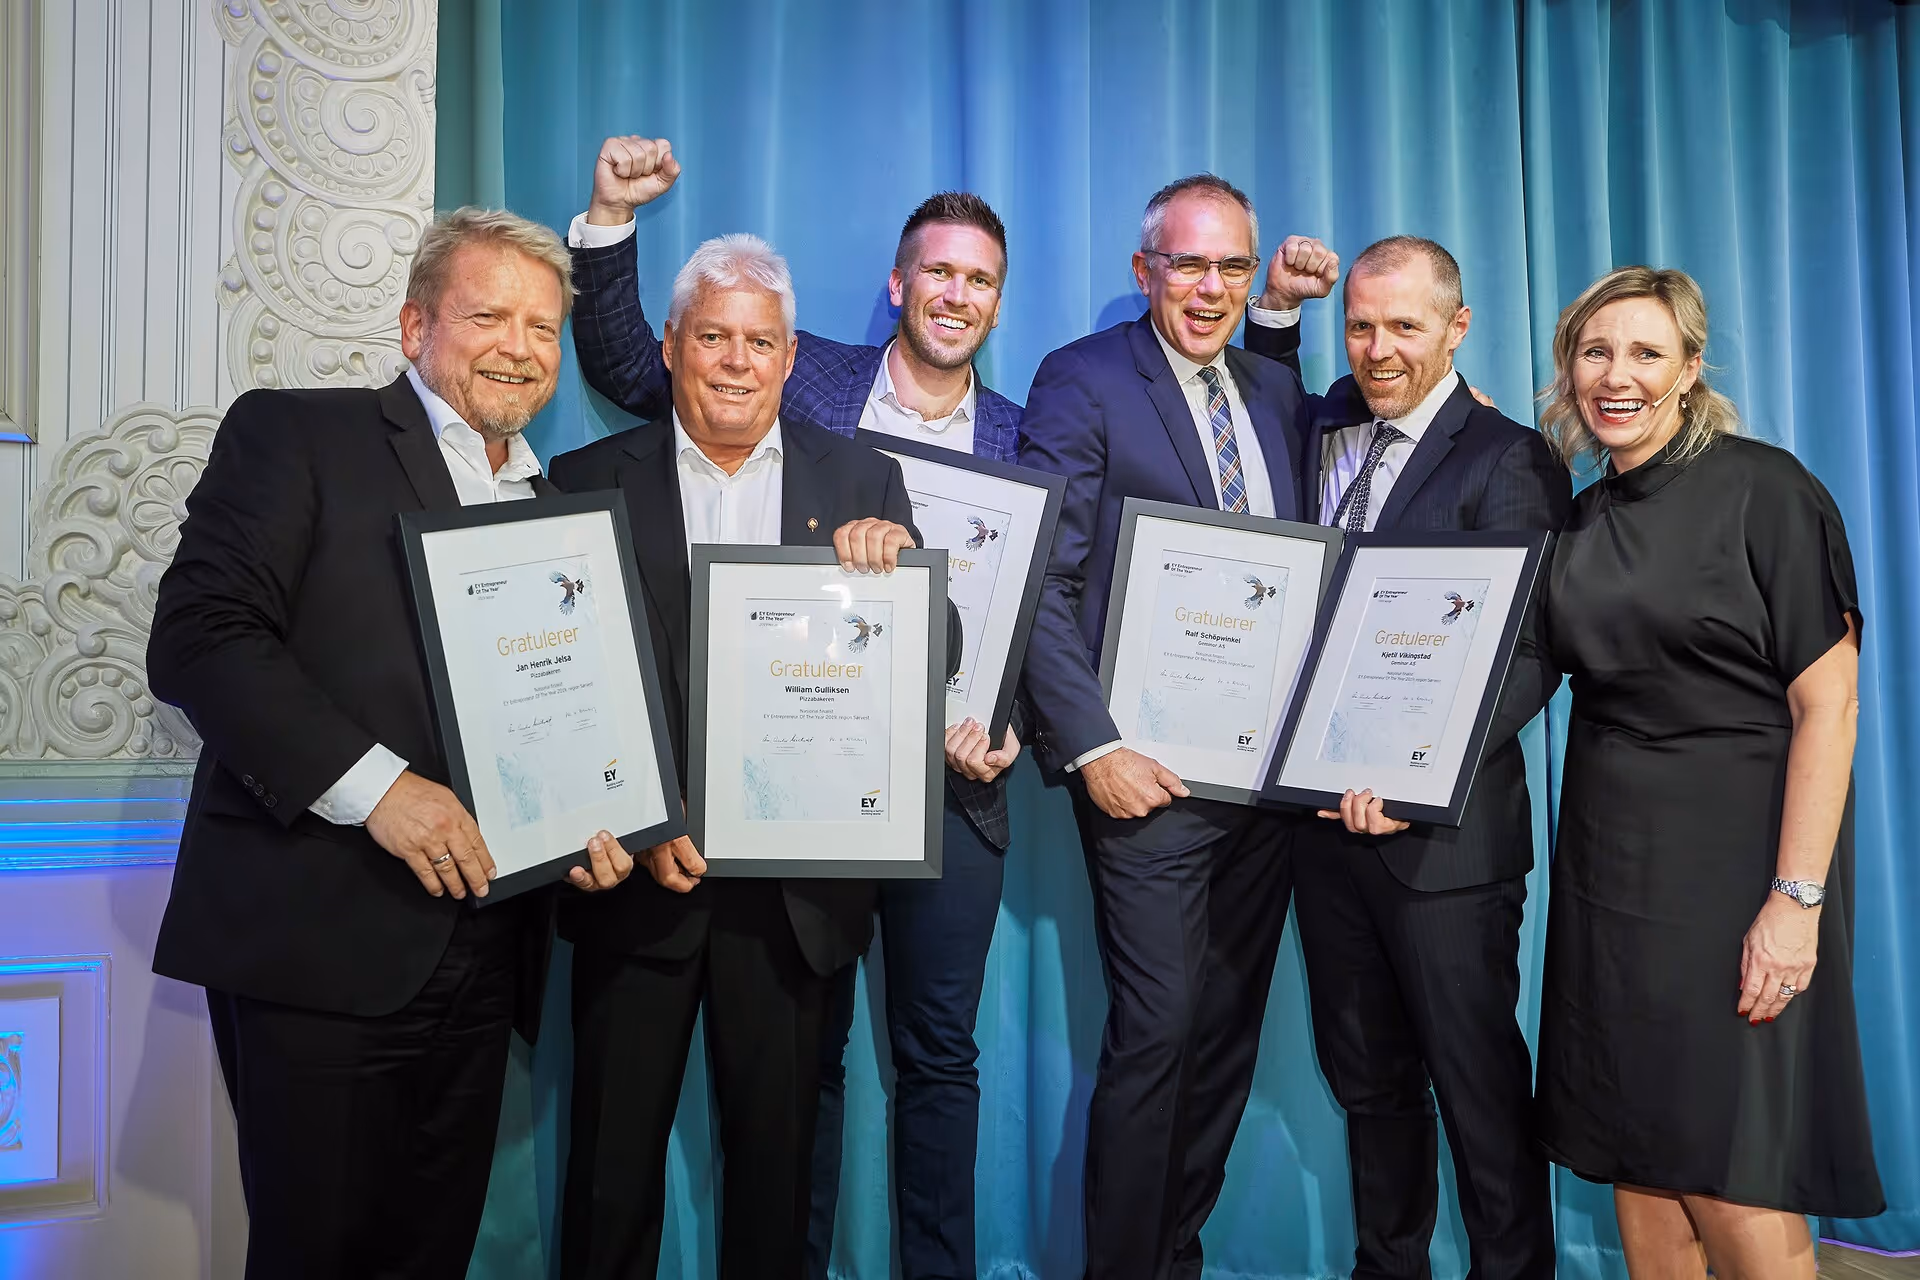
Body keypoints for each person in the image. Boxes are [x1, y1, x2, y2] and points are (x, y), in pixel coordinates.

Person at [564, 136, 1026, 1279]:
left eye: (758, 342)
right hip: (639, 881)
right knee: (608, 1183)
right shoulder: (583, 483)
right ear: (674, 348)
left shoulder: (859, 478)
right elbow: (564, 689)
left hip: (793, 901)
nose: (734, 361)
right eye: (711, 337)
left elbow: (939, 647)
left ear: (788, 358)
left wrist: (900, 570)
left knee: (777, 1190)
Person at [146, 208, 637, 1280]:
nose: (521, 346)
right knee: (315, 1254)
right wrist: (382, 791)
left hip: (483, 948)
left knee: (428, 1254)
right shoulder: (298, 434)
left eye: (545, 327)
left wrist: (588, 830)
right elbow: (198, 640)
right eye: (490, 316)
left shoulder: (556, 507)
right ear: (415, 326)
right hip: (323, 935)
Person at [1520, 265, 1882, 1277]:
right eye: (1595, 352)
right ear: (1569, 371)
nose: (1616, 374)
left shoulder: (1768, 489)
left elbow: (1832, 705)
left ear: (1689, 369)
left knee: (1734, 1173)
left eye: (1644, 352)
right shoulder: (1581, 521)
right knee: (1639, 1163)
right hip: (1608, 876)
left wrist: (1796, 899)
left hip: (1738, 878)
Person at [1242, 236, 1570, 1279]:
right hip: (1324, 834)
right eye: (1363, 325)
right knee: (1370, 1083)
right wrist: (1277, 316)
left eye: (1406, 327)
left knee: (1474, 1085)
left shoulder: (1509, 457)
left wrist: (1423, 776)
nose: (1380, 349)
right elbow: (1262, 403)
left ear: (1457, 328)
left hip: (1444, 847)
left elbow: (1532, 650)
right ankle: (1390, 1266)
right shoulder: (1330, 419)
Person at [1017, 173, 1310, 1280]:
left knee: (1226, 1036)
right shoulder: (1084, 380)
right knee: (1158, 1032)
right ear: (1145, 271)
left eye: (1232, 265)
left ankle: (1175, 1253)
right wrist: (1095, 746)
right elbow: (1047, 577)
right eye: (1189, 263)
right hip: (1147, 778)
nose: (1212, 286)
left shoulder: (1276, 395)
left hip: (1266, 785)